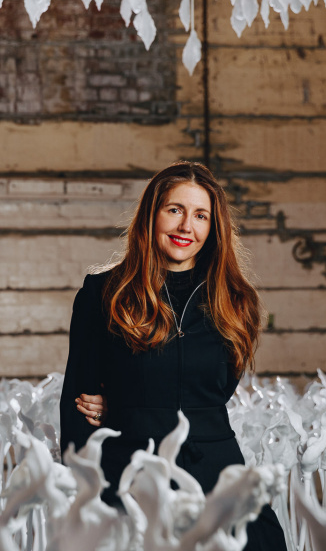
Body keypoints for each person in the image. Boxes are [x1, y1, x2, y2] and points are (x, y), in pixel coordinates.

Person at [59, 161, 287, 550]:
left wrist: (121, 399)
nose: (187, 227)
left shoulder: (237, 300)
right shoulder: (102, 292)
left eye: (201, 215)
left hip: (215, 465)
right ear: (152, 214)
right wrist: (85, 492)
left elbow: (215, 392)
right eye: (175, 210)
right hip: (130, 468)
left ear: (213, 228)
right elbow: (77, 405)